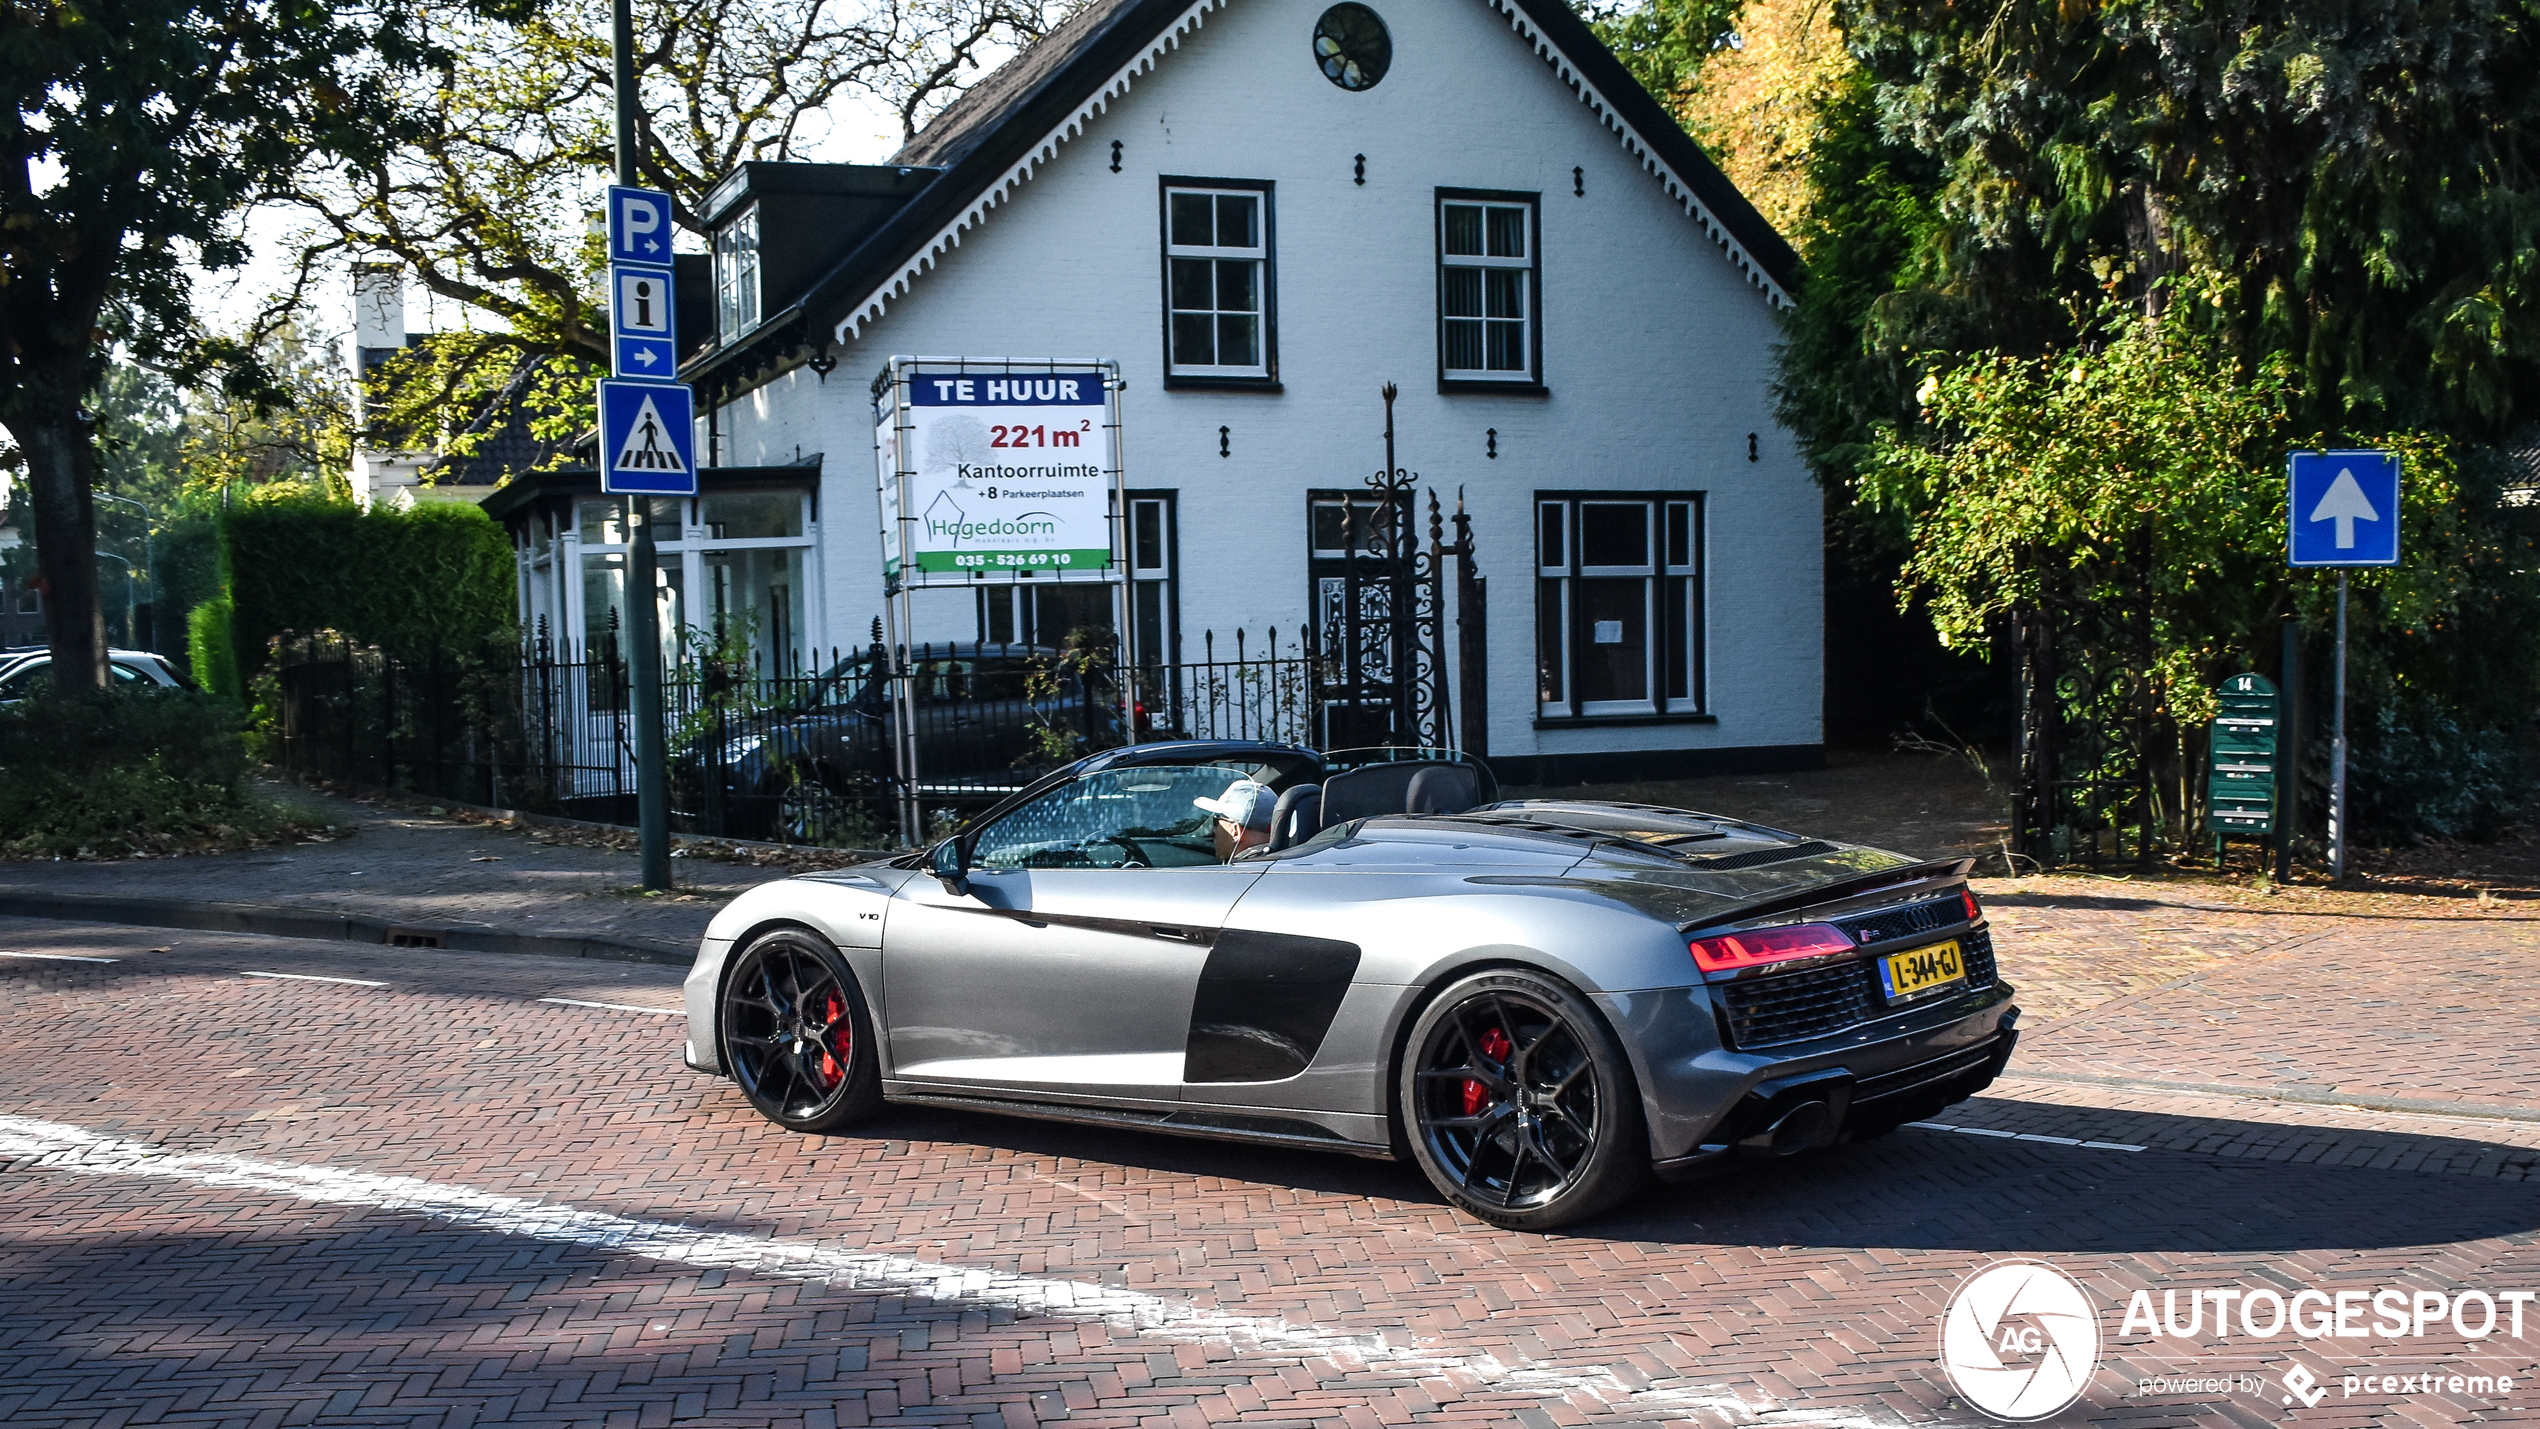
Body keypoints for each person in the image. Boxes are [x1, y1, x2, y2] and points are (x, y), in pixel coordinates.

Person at [1193, 779, 1275, 861]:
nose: (1212, 831)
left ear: (1235, 831)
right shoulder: (1281, 861)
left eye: (1216, 822)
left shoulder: (1239, 872)